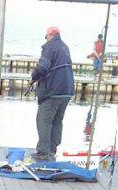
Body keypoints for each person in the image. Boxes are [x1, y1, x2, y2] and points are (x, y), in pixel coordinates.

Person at [31, 27, 74, 162]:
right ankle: (52, 151)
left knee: (43, 120)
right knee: (57, 121)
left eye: (46, 37)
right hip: (66, 91)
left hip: (53, 91)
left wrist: (33, 77)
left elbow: (42, 67)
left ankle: (43, 154)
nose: (46, 39)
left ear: (50, 35)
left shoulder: (50, 47)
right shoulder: (65, 47)